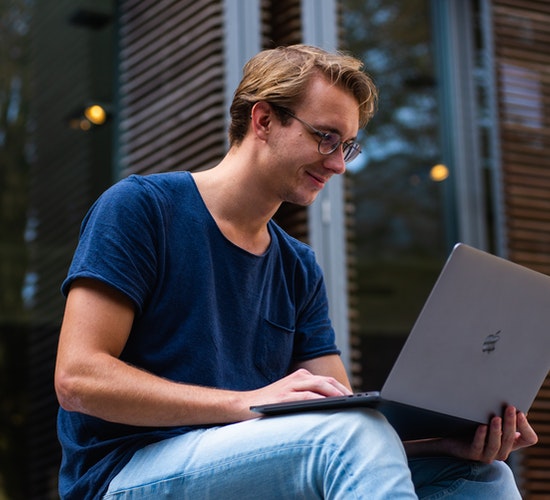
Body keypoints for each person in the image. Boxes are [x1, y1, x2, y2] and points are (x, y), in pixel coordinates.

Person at [54, 44, 537, 499]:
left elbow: (344, 423)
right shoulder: (142, 209)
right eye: (326, 137)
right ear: (263, 119)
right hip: (125, 473)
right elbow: (78, 380)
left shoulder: (297, 265)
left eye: (347, 146)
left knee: (482, 477)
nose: (338, 164)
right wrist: (247, 402)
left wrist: (441, 444)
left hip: (249, 464)